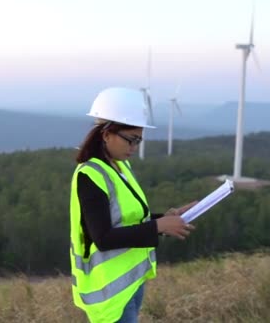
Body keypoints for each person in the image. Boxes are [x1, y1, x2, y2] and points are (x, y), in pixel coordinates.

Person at [69, 87, 197, 323]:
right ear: (106, 134)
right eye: (131, 139)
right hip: (108, 293)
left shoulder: (120, 167)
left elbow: (128, 219)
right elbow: (104, 237)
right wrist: (159, 226)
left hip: (131, 283)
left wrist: (167, 218)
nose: (135, 147)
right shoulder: (90, 175)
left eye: (139, 140)